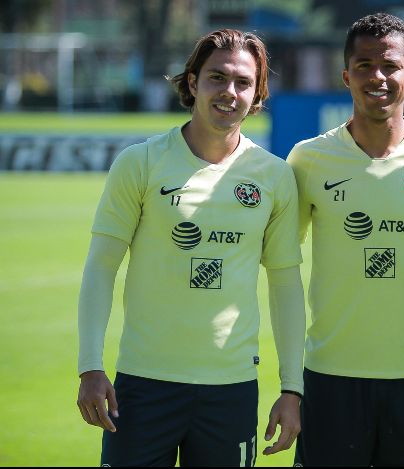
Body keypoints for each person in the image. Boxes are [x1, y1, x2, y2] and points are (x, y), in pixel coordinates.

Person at [76, 28, 306, 466]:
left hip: (231, 389)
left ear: (258, 94)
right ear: (193, 82)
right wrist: (90, 366)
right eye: (217, 77)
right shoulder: (140, 163)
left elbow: (285, 284)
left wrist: (291, 389)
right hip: (144, 385)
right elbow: (101, 267)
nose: (230, 92)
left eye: (244, 82)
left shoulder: (274, 176)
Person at [286, 13, 404, 466]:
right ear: (346, 76)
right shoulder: (308, 160)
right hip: (330, 377)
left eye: (390, 65)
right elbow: (277, 263)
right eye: (364, 66)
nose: (377, 77)